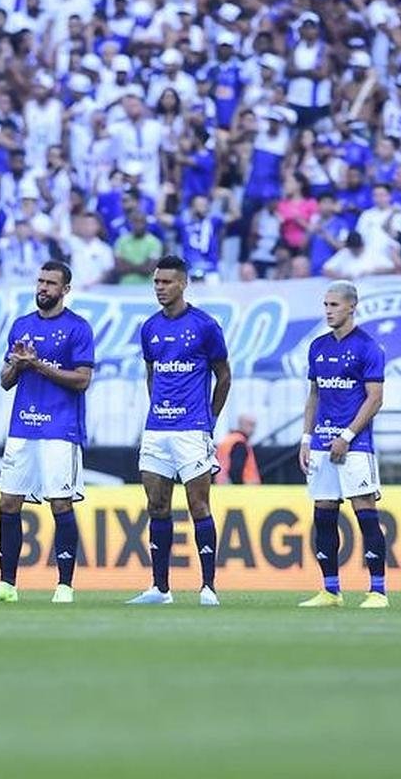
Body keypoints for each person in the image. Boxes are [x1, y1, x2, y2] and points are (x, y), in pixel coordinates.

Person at [0, 261, 95, 604]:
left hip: (60, 428)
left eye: (51, 283)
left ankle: (65, 586)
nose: (43, 287)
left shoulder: (78, 328)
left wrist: (38, 364)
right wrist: (17, 362)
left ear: (65, 289)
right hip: (23, 426)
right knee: (8, 501)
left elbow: (83, 380)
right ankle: (7, 585)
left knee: (60, 503)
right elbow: (5, 380)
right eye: (40, 281)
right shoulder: (21, 326)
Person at [128, 255, 231, 606]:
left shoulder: (204, 326)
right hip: (157, 429)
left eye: (167, 282)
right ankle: (160, 588)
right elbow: (151, 374)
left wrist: (210, 419)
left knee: (198, 506)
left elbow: (224, 375)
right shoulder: (149, 328)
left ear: (183, 283)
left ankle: (208, 587)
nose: (160, 288)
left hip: (192, 430)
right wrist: (158, 406)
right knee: (156, 505)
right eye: (156, 282)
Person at [297, 281, 389, 609]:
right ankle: (330, 591)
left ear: (352, 306)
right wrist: (307, 439)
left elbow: (375, 398)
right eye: (325, 305)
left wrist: (347, 436)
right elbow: (314, 395)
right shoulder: (318, 346)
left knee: (365, 514)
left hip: (355, 445)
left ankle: (378, 591)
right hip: (322, 444)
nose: (328, 311)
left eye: (334, 305)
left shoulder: (368, 347)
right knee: (323, 515)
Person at [215, 414, 260, 485]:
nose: (253, 429)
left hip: (222, 483)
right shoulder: (239, 443)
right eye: (250, 425)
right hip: (244, 489)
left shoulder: (228, 440)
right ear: (241, 424)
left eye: (254, 425)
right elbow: (236, 469)